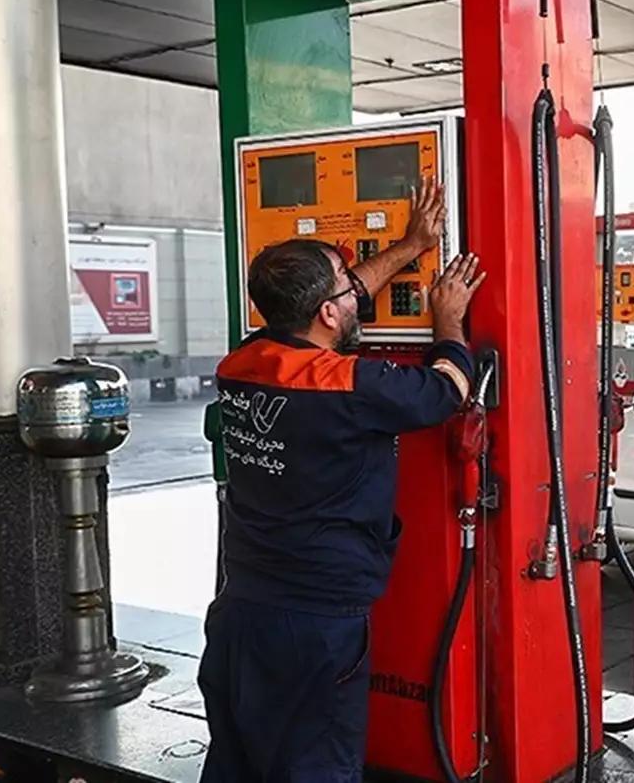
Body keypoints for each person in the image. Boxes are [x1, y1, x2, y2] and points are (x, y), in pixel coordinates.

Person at [197, 180, 485, 783]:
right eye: (347, 285)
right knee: (315, 768)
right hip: (316, 627)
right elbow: (443, 392)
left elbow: (336, 306)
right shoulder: (351, 387)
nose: (358, 290)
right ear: (329, 313)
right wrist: (449, 322)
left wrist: (410, 247)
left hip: (238, 614)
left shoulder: (241, 364)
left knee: (236, 765)